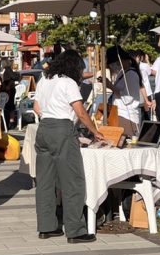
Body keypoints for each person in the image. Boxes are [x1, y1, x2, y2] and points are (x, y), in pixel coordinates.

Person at [32, 50, 105, 244]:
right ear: (74, 66)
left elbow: (36, 107)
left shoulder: (45, 79)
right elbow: (80, 112)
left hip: (44, 129)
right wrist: (95, 131)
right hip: (62, 129)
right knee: (72, 180)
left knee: (45, 182)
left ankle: (46, 227)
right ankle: (75, 230)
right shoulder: (68, 82)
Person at [103, 47, 152, 142]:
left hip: (127, 116)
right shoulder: (123, 72)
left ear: (119, 61)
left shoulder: (131, 75)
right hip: (118, 113)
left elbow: (128, 98)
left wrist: (110, 86)